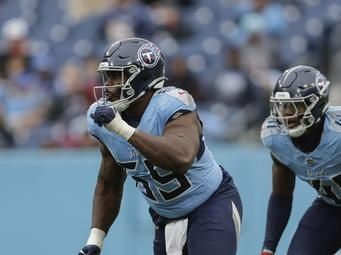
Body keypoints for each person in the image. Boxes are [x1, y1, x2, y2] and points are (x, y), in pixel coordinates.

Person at [78, 37, 243, 255]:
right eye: (107, 76)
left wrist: (122, 129)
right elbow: (110, 183)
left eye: (117, 76)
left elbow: (181, 158)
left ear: (143, 77)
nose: (109, 85)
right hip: (165, 217)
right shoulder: (104, 119)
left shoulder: (172, 104)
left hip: (211, 204)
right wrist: (95, 239)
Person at [260, 65, 341, 255]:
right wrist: (268, 247)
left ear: (317, 104)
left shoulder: (337, 133)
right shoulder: (276, 138)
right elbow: (281, 195)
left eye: (296, 105)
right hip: (332, 208)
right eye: (283, 106)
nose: (287, 113)